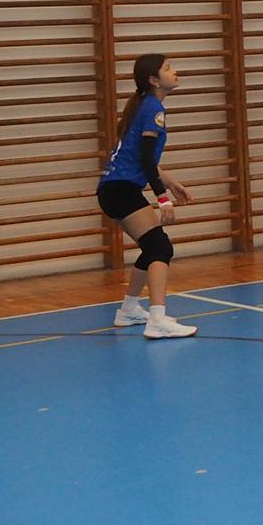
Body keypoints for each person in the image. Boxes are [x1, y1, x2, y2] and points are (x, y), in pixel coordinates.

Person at [97, 53, 198, 339]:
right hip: (121, 189)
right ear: (154, 80)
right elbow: (143, 158)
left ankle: (129, 310)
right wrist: (162, 198)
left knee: (152, 247)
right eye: (168, 68)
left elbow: (141, 157)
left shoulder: (143, 106)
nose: (174, 71)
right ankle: (157, 319)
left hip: (113, 188)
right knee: (160, 249)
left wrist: (171, 182)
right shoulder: (153, 108)